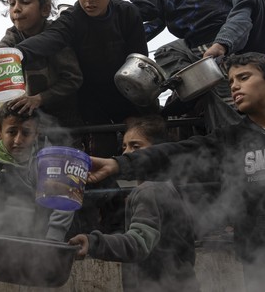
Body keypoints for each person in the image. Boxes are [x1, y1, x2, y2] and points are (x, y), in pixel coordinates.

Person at [87, 52, 265, 292]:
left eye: (244, 77)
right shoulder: (230, 138)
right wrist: (118, 164)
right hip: (261, 258)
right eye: (231, 81)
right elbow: (176, 153)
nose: (235, 86)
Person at [12, 0, 151, 155]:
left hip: (126, 94)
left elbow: (139, 66)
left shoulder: (129, 15)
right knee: (99, 146)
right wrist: (14, 55)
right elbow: (51, 38)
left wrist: (133, 114)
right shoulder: (72, 19)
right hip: (89, 100)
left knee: (143, 136)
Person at [116, 0, 239, 123]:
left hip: (208, 34)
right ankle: (192, 91)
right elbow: (157, 21)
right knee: (166, 52)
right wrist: (126, 39)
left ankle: (233, 143)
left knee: (228, 106)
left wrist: (114, 19)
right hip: (230, 30)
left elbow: (146, 8)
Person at [69, 115, 200, 292]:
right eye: (125, 146)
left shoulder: (148, 191)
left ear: (156, 153)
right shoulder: (168, 187)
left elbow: (138, 243)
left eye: (135, 146)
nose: (126, 153)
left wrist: (92, 242)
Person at [0, 0, 83, 143]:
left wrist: (39, 99)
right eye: (12, 3)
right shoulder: (12, 36)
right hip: (32, 121)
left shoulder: (56, 36)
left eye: (25, 2)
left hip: (66, 119)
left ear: (45, 9)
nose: (16, 9)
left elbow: (73, 79)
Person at [0, 104, 73, 241]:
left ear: (36, 134)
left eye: (26, 133)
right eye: (12, 132)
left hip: (38, 238)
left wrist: (53, 240)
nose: (18, 140)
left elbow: (64, 198)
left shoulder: (45, 161)